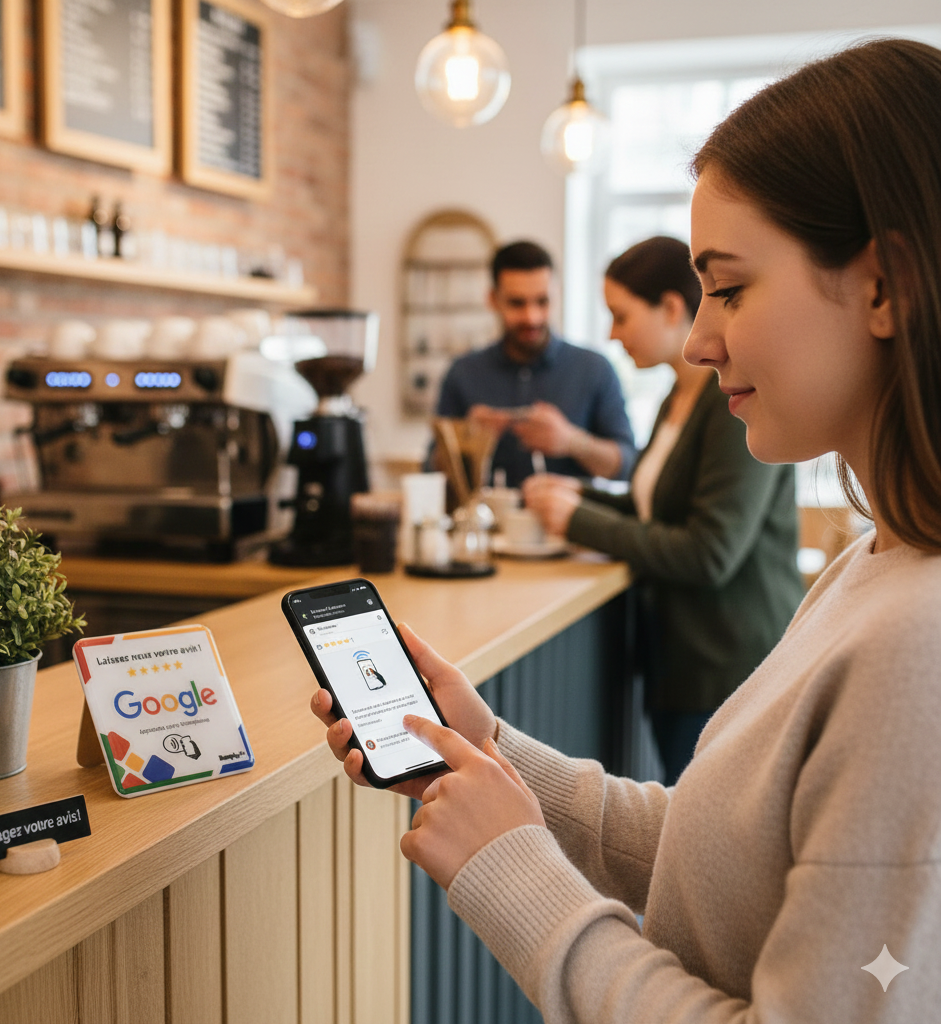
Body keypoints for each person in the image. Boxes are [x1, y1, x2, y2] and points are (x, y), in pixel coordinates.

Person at [314, 38, 941, 1022]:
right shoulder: (873, 563)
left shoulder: (916, 644)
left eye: (728, 287)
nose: (696, 338)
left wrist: (511, 870)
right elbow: (722, 856)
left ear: (883, 284)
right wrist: (493, 750)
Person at [522, 235, 804, 783]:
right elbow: (656, 505)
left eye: (620, 315)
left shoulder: (731, 407)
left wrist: (579, 520)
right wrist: (580, 495)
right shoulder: (679, 399)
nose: (610, 333)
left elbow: (709, 551)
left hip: (727, 669)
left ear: (672, 309)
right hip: (682, 664)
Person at [432, 240, 637, 487]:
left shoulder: (595, 369)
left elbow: (628, 465)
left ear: (557, 295)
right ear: (493, 299)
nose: (532, 317)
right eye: (517, 303)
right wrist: (463, 439)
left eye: (542, 301)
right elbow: (430, 469)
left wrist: (572, 441)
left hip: (572, 525)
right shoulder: (462, 373)